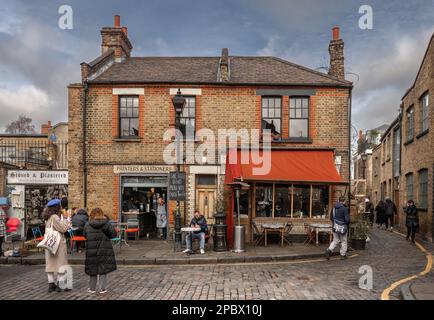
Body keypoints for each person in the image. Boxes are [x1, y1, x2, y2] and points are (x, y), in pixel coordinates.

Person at [83, 208, 117, 294]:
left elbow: (85, 235)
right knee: (103, 268)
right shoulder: (106, 223)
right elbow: (113, 234)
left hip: (91, 249)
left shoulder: (88, 224)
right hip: (104, 248)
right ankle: (102, 288)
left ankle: (92, 288)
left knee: (92, 268)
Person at [42, 199, 70, 293]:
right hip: (58, 245)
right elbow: (64, 228)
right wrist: (66, 218)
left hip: (50, 243)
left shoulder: (47, 217)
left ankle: (51, 285)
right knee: (60, 264)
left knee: (50, 264)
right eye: (60, 206)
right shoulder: (54, 217)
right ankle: (60, 285)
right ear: (57, 207)